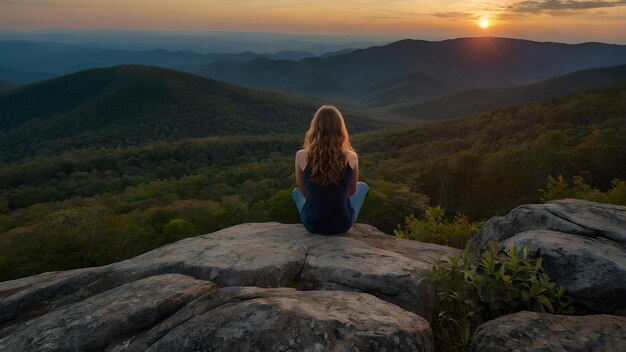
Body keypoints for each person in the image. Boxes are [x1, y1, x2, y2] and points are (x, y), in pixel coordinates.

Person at [292, 105, 368, 235]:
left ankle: (317, 212)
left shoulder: (301, 156)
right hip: (341, 225)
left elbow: (304, 192)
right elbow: (351, 192)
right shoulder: (351, 156)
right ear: (340, 129)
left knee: (295, 192)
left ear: (315, 128)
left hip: (313, 225)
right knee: (363, 187)